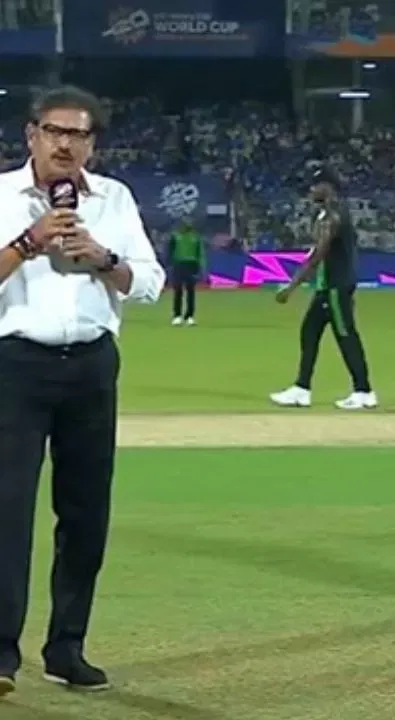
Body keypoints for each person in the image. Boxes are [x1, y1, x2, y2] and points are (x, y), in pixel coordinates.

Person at [0, 85, 166, 695]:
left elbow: (148, 281)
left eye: (78, 134)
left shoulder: (113, 199)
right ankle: (0, 654)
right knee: (6, 512)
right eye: (55, 131)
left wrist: (103, 257)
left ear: (92, 143)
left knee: (85, 513)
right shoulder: (1, 195)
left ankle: (66, 648)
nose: (65, 144)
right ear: (32, 135)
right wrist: (28, 243)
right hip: (13, 365)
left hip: (92, 367)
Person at [269, 166, 377, 410]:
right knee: (309, 331)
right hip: (327, 286)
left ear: (327, 187)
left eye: (315, 185)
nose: (311, 190)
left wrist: (291, 287)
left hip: (336, 286)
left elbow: (318, 254)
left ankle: (364, 391)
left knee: (346, 335)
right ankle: (301, 389)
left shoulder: (332, 217)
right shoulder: (328, 214)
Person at [167, 217, 204, 325]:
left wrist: (201, 265)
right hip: (179, 264)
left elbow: (200, 252)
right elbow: (170, 251)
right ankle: (177, 315)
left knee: (191, 291)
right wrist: (170, 264)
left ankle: (189, 316)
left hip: (192, 264)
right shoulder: (175, 236)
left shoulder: (196, 236)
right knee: (178, 290)